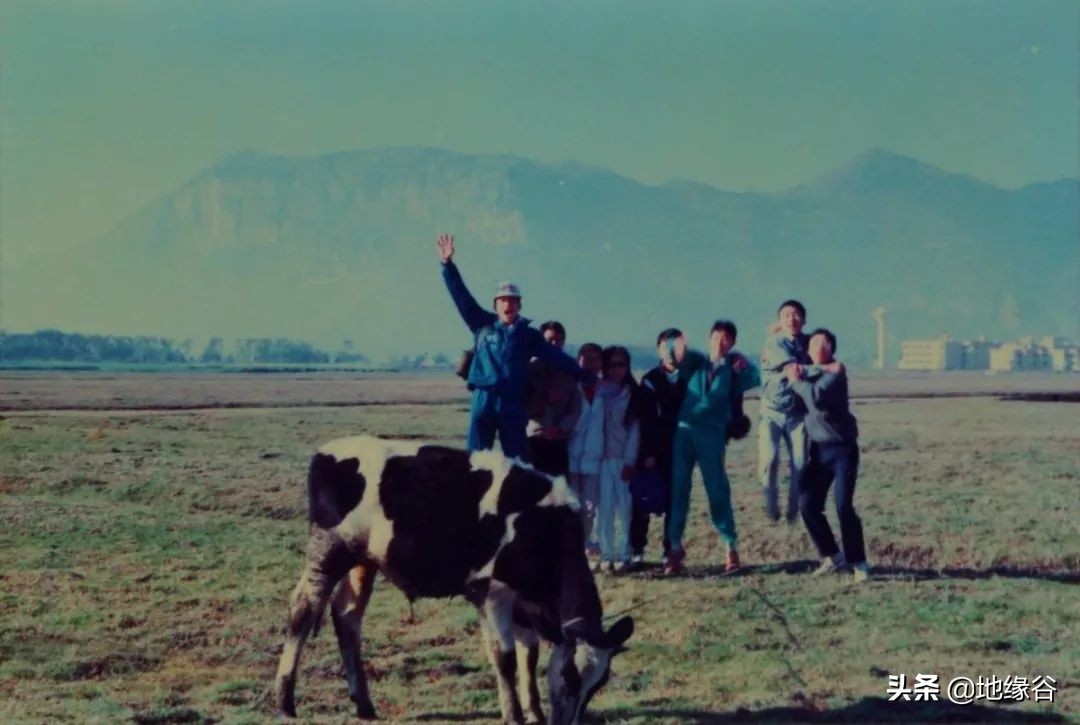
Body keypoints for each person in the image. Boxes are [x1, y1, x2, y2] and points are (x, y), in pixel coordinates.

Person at [438, 234, 594, 459]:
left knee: (518, 459)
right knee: (476, 459)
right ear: (495, 305)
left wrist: (583, 374)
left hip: (512, 401)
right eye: (502, 300)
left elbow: (556, 357)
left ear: (520, 305)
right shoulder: (482, 324)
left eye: (512, 300)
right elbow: (461, 296)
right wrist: (447, 265)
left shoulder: (529, 336)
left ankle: (516, 494)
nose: (507, 304)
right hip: (484, 397)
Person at [665, 321, 760, 575]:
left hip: (712, 434)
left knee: (717, 490)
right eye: (716, 336)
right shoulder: (697, 361)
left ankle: (730, 547)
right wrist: (678, 346)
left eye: (726, 338)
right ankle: (674, 548)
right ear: (709, 338)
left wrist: (744, 362)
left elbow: (756, 376)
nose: (720, 341)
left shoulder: (733, 370)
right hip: (684, 433)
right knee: (679, 489)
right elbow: (676, 356)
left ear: (732, 343)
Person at [787, 328, 870, 583]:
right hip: (818, 451)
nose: (817, 347)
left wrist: (795, 380)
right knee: (808, 503)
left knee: (843, 506)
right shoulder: (814, 371)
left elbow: (815, 397)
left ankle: (859, 562)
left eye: (823, 343)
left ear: (831, 348)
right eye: (813, 343)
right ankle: (832, 556)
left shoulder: (835, 374)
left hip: (842, 450)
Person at [632, 328, 688, 568]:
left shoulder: (691, 378)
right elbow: (646, 420)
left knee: (676, 503)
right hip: (654, 450)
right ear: (659, 349)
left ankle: (670, 551)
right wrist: (648, 453)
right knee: (643, 500)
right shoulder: (650, 380)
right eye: (667, 346)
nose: (671, 351)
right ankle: (636, 551)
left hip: (682, 449)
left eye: (676, 345)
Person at [758, 299, 811, 524]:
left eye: (796, 315)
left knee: (800, 463)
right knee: (769, 460)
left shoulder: (810, 342)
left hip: (799, 414)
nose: (792, 319)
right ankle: (771, 508)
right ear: (780, 320)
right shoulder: (774, 343)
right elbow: (793, 370)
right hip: (772, 411)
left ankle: (793, 511)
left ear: (804, 320)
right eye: (787, 315)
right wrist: (821, 369)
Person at [525, 321, 581, 477]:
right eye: (550, 340)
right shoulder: (529, 369)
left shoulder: (570, 370)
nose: (554, 344)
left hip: (560, 440)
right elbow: (521, 403)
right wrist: (543, 398)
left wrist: (561, 428)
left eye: (558, 340)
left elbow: (575, 407)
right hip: (534, 437)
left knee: (558, 489)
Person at [567, 343, 606, 557]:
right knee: (571, 504)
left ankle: (583, 546)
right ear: (578, 359)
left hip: (595, 455)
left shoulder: (607, 389)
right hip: (571, 453)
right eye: (586, 357)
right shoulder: (570, 385)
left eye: (595, 358)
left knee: (590, 506)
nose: (590, 363)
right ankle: (570, 547)